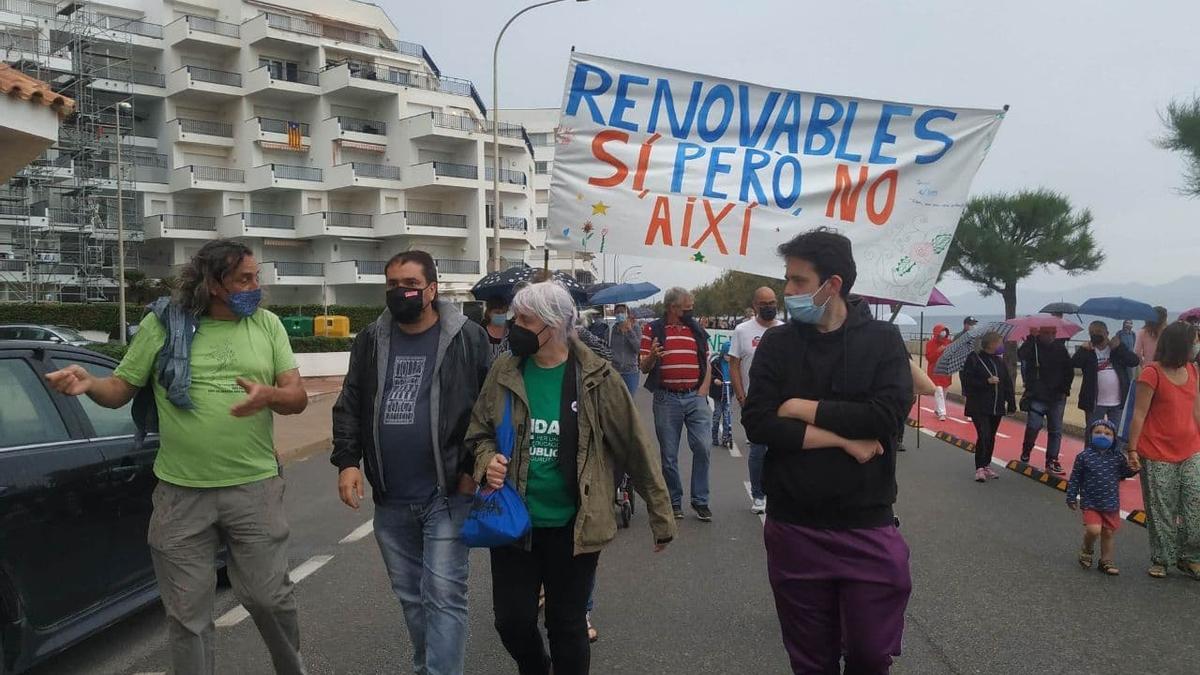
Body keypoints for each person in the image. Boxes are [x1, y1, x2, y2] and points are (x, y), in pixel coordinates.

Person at [46, 240, 309, 675]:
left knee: (269, 599)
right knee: (187, 617)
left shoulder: (268, 326)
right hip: (181, 495)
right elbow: (119, 389)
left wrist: (271, 396)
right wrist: (89, 383)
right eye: (244, 279)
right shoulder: (164, 326)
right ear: (212, 283)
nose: (255, 287)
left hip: (254, 486)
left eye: (256, 276)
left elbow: (297, 398)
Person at [467, 280, 676, 675]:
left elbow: (635, 448)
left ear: (556, 324)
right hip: (516, 525)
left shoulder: (599, 377)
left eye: (526, 319)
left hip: (574, 527)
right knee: (511, 622)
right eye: (516, 318)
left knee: (567, 626)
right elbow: (478, 432)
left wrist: (660, 515)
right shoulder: (504, 371)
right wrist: (486, 459)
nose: (516, 326)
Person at [742, 228, 913, 674]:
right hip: (794, 527)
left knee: (871, 654)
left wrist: (800, 407)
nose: (787, 291)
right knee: (810, 661)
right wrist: (841, 437)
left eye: (798, 281)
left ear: (831, 285)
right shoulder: (778, 344)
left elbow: (884, 418)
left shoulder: (882, 341)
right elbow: (759, 422)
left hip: (866, 524)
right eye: (787, 279)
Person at [331, 250, 490, 675]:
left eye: (410, 285)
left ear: (431, 290)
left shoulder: (467, 338)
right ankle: (429, 666)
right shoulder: (370, 341)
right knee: (412, 598)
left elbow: (488, 409)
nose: (400, 292)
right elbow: (350, 404)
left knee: (444, 594)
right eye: (392, 285)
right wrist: (348, 461)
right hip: (391, 498)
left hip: (447, 492)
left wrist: (472, 471)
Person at [1125, 321, 1200, 580]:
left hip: (1191, 449)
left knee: (1195, 507)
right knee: (1161, 510)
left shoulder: (1193, 370)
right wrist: (1132, 449)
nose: (1196, 345)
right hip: (1156, 451)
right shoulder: (1152, 372)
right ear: (1181, 345)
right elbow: (1139, 414)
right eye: (1193, 341)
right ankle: (1162, 558)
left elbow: (1196, 411)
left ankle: (1189, 556)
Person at [640, 287, 714, 521]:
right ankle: (674, 501)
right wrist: (652, 356)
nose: (690, 311)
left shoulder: (697, 330)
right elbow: (643, 366)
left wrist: (703, 389)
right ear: (673, 308)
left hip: (696, 397)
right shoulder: (653, 329)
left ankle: (700, 500)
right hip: (666, 399)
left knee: (703, 446)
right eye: (687, 307)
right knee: (669, 455)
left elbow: (707, 361)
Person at [729, 286, 783, 514]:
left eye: (772, 302)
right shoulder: (742, 331)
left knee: (781, 449)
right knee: (758, 450)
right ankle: (759, 496)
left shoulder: (785, 330)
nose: (769, 307)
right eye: (764, 304)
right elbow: (734, 363)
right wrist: (741, 395)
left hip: (783, 402)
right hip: (755, 402)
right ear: (755, 306)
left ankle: (779, 494)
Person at [1066, 420, 1137, 575]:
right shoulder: (1084, 456)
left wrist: (1134, 469)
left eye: (1107, 433)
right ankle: (1087, 548)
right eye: (1097, 432)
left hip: (1111, 503)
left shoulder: (1117, 457)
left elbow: (1125, 473)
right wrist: (1071, 496)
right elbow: (1075, 478)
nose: (1102, 436)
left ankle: (1106, 560)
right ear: (1090, 435)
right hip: (1091, 502)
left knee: (1108, 533)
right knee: (1093, 530)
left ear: (1114, 438)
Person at [1018, 326, 1074, 475]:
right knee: (1034, 426)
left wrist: (1065, 389)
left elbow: (1069, 370)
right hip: (1037, 395)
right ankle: (1026, 450)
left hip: (1057, 396)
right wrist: (1031, 339)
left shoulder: (1060, 349)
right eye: (1046, 333)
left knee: (1055, 429)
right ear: (1040, 334)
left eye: (1053, 333)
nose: (1050, 336)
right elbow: (1021, 355)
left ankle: (1052, 460)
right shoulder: (1033, 348)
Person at [960, 332, 1016, 482]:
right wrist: (986, 381)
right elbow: (967, 381)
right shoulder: (975, 358)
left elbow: (1007, 383)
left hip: (996, 406)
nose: (1001, 345)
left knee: (991, 436)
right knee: (983, 434)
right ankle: (979, 467)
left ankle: (986, 464)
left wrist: (1011, 403)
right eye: (999, 342)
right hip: (979, 405)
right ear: (991, 344)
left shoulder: (999, 361)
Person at [1072, 320, 1141, 426]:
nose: (1096, 334)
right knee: (1092, 434)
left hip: (1117, 402)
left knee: (1115, 435)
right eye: (1092, 332)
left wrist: (1119, 347)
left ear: (1107, 333)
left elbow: (1134, 361)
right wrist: (1082, 349)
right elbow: (1074, 363)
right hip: (1094, 402)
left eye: (1099, 331)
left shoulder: (1116, 349)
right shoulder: (1088, 351)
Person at [606, 303, 641, 397]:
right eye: (617, 312)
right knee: (615, 402)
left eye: (622, 312)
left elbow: (638, 349)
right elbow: (605, 348)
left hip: (630, 372)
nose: (619, 314)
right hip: (615, 372)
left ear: (627, 314)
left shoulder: (635, 327)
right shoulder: (610, 330)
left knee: (629, 402)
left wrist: (629, 331)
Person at [924, 324, 954, 421]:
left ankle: (937, 409)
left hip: (945, 371)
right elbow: (929, 358)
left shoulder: (949, 342)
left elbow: (952, 356)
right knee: (939, 391)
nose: (943, 333)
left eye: (944, 331)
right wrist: (938, 351)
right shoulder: (930, 344)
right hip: (935, 371)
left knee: (944, 392)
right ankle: (942, 413)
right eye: (941, 331)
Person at [710, 344, 733, 447]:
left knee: (727, 415)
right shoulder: (716, 363)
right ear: (723, 353)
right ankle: (714, 436)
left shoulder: (733, 364)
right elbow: (709, 374)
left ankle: (725, 436)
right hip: (718, 393)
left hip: (728, 391)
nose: (728, 357)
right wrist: (714, 380)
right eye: (727, 354)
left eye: (730, 355)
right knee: (717, 414)